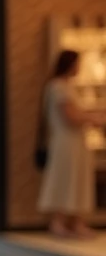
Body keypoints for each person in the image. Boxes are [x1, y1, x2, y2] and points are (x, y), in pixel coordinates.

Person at [38, 50, 104, 238]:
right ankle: (59, 220)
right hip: (66, 141)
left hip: (75, 141)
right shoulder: (58, 87)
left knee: (77, 180)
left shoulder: (67, 86)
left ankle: (76, 221)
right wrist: (92, 118)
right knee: (65, 178)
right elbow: (69, 116)